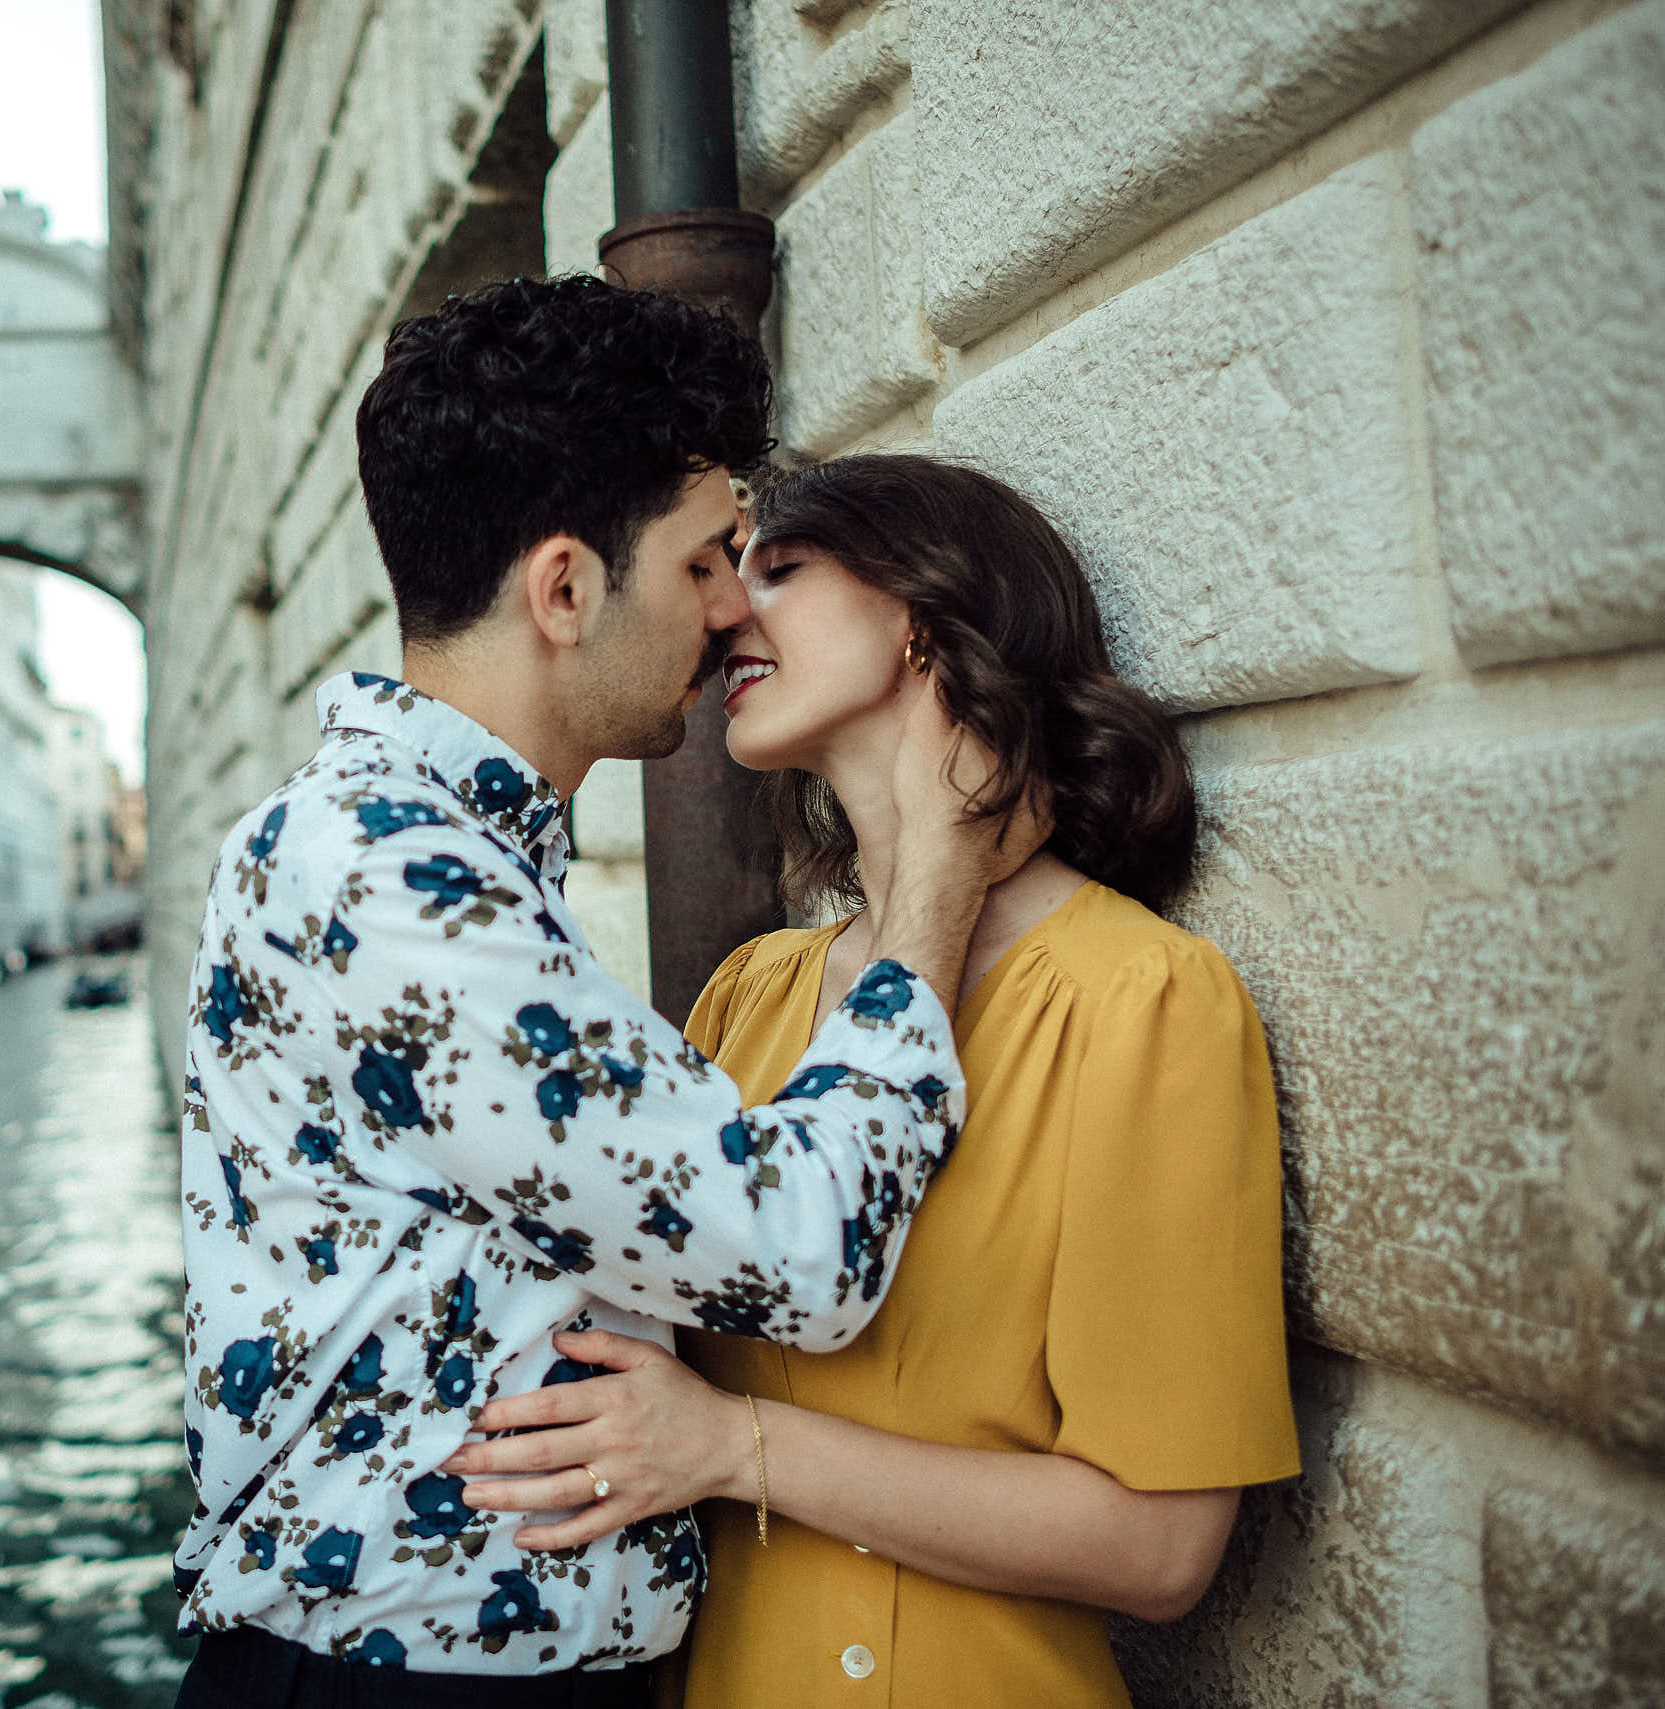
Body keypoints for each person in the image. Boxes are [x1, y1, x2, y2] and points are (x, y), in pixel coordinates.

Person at [171, 284, 1038, 1707]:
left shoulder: (399, 849)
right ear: (565, 589)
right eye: (708, 559)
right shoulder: (394, 879)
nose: (732, 604)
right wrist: (937, 881)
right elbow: (795, 1252)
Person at [444, 454, 1300, 1707]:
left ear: (924, 621)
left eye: (778, 568)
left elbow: (1161, 1543)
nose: (728, 607)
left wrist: (732, 1446)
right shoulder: (752, 993)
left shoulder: (1140, 997)